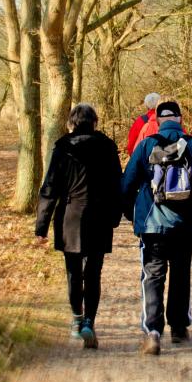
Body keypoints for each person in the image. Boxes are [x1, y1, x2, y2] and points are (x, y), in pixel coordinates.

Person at [121, 100, 192, 355]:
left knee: (152, 275)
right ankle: (178, 328)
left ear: (157, 120)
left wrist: (130, 214)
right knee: (181, 273)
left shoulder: (146, 145)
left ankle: (153, 332)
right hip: (184, 224)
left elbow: (127, 183)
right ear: (180, 119)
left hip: (152, 223)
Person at [35, 103, 122, 349]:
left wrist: (41, 226)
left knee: (73, 271)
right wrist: (115, 216)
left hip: (69, 217)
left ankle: (76, 319)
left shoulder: (62, 147)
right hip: (99, 216)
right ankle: (89, 323)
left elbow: (50, 187)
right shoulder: (107, 146)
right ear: (95, 122)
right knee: (93, 272)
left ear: (71, 123)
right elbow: (117, 185)